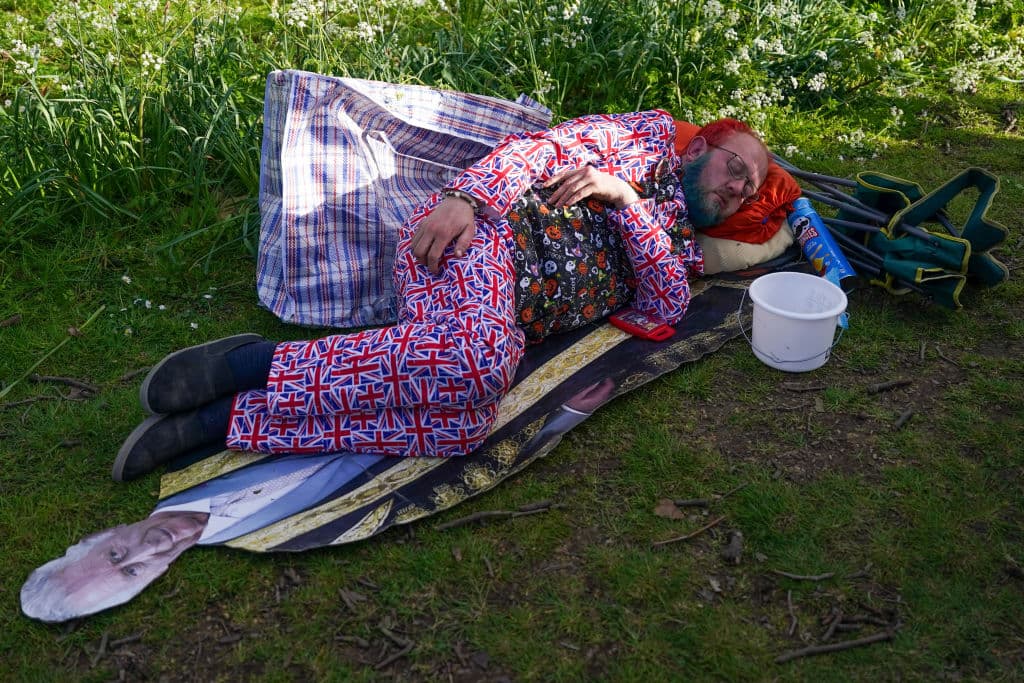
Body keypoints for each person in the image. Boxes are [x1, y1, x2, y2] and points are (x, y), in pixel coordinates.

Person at [112, 111, 768, 482]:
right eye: (735, 165)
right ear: (701, 146)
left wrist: (624, 201)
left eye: (750, 188)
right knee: (483, 362)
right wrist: (467, 199)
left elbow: (663, 306)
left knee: (466, 423)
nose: (738, 187)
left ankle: (228, 419)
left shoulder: (679, 249)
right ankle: (245, 367)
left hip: (496, 319)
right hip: (475, 243)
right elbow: (540, 149)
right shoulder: (638, 140)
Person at [21, 450, 385, 622]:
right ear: (152, 579)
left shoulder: (189, 458)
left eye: (115, 554)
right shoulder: (289, 537)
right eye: (132, 572)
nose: (152, 548)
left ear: (104, 534)